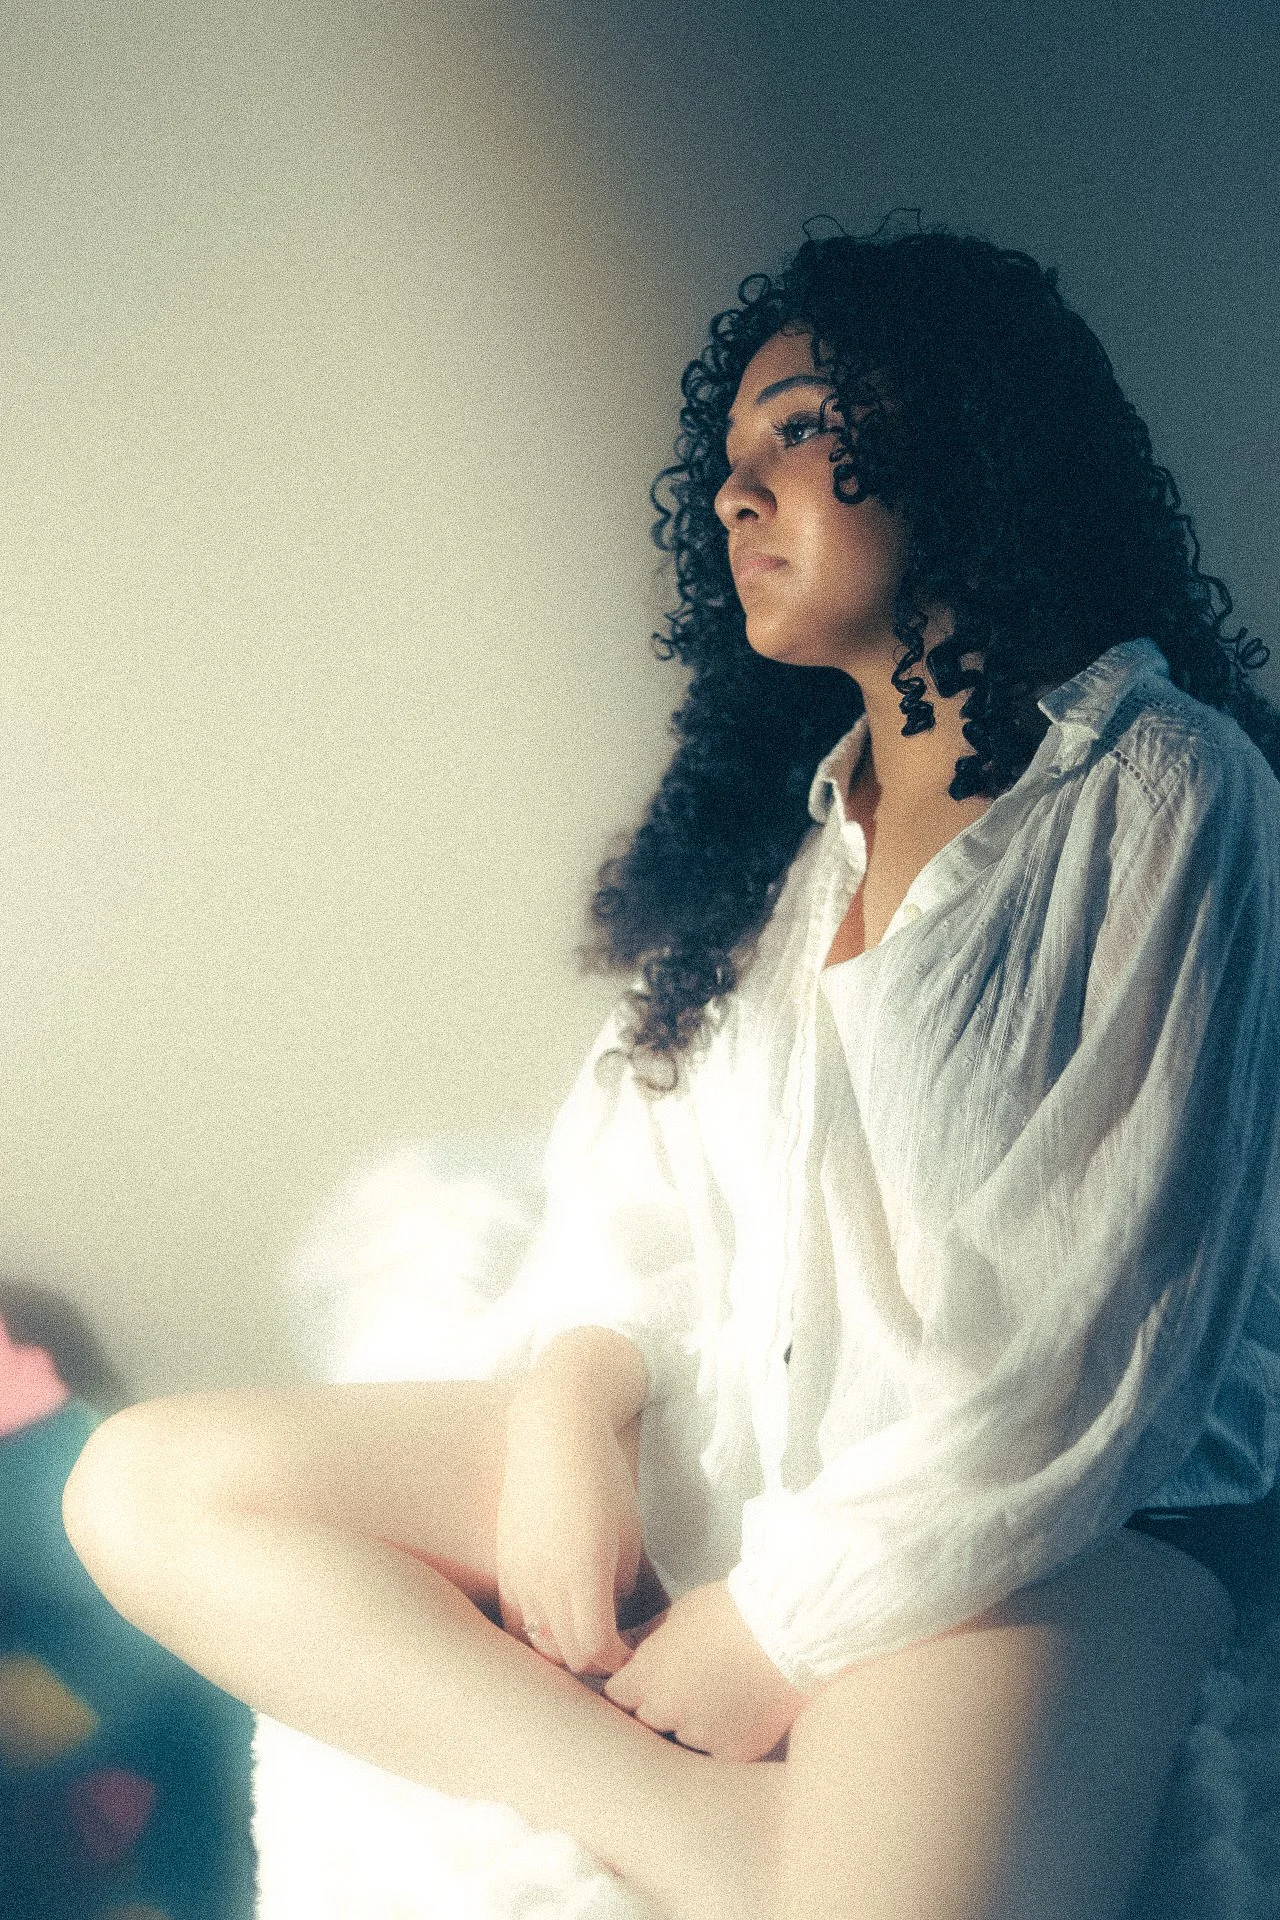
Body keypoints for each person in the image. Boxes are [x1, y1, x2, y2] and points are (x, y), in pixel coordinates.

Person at [61, 220, 1280, 1920]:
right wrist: (577, 1389)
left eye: (796, 428)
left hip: (1045, 1522)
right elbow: (632, 1191)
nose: (733, 496)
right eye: (728, 460)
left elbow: (1091, 1341)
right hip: (756, 1437)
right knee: (145, 1485)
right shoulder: (793, 856)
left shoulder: (1166, 794)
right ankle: (701, 1834)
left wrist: (784, 1624)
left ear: (961, 434)